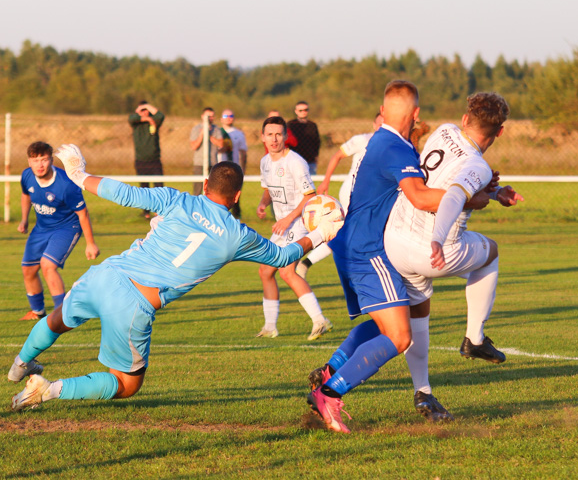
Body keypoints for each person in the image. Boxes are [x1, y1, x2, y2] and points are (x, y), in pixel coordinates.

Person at [8, 149, 342, 412]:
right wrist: (319, 233)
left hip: (107, 274)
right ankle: (48, 389)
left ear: (206, 185)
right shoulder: (238, 236)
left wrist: (80, 175)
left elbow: (125, 194)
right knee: (127, 384)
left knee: (57, 319)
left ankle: (19, 365)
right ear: (237, 197)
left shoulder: (178, 199)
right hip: (134, 303)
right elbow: (284, 258)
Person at [305, 80, 447, 433]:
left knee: (394, 322)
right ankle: (330, 392)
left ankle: (332, 369)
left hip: (353, 244)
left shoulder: (383, 141)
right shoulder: (394, 148)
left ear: (383, 112)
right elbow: (421, 197)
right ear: (415, 115)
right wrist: (469, 195)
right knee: (400, 337)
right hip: (368, 251)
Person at [384, 92, 523, 422]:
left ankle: (423, 392)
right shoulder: (478, 164)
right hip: (432, 247)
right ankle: (474, 338)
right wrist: (437, 238)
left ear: (464, 119)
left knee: (419, 311)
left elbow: (447, 176)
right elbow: (453, 197)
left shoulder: (444, 130)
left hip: (396, 239)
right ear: (500, 132)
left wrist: (491, 192)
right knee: (491, 253)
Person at [257, 116, 332, 341]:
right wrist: (263, 203)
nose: (274, 139)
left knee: (287, 272)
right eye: (269, 134)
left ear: (286, 136)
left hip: (298, 223)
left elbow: (310, 196)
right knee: (265, 271)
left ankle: (320, 320)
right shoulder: (265, 162)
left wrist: (288, 219)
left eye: (279, 134)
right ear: (263, 137)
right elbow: (268, 189)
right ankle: (270, 327)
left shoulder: (296, 162)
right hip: (282, 226)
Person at [17, 142, 100, 321]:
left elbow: (83, 213)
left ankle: (62, 314)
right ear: (29, 161)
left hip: (67, 227)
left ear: (52, 160)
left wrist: (90, 243)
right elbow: (26, 195)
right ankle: (38, 311)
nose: (40, 165)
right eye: (35, 160)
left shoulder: (66, 184)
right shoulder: (26, 176)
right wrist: (24, 219)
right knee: (28, 270)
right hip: (41, 228)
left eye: (44, 159)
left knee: (48, 266)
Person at [296, 113, 384, 279]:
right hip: (353, 192)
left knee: (344, 233)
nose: (382, 127)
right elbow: (337, 155)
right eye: (380, 124)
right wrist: (326, 181)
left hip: (370, 197)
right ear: (374, 125)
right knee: (349, 233)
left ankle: (306, 263)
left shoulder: (389, 145)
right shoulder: (362, 140)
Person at [128, 101, 165, 219]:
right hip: (141, 161)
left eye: (146, 110)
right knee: (144, 188)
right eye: (142, 110)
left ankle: (159, 210)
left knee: (158, 186)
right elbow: (131, 118)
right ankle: (146, 212)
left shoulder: (155, 122)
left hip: (154, 160)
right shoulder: (136, 124)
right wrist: (145, 117)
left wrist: (148, 108)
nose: (145, 112)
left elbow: (160, 115)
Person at [220, 109, 248, 218]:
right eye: (226, 115)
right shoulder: (218, 132)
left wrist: (243, 168)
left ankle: (236, 217)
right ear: (221, 118)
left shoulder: (239, 133)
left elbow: (243, 152)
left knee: (234, 193)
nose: (228, 117)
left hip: (234, 166)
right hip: (220, 165)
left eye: (231, 115)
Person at [189, 107, 224, 196]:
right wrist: (202, 134)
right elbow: (194, 146)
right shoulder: (196, 129)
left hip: (213, 163)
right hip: (199, 163)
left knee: (213, 190)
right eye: (208, 116)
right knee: (197, 189)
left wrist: (209, 134)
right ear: (202, 116)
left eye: (212, 116)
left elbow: (220, 144)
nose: (210, 118)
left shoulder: (216, 129)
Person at [287, 101, 321, 174]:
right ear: (296, 111)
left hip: (310, 159)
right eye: (300, 110)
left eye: (306, 110)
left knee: (310, 181)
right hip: (294, 158)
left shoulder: (312, 125)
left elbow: (317, 142)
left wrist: (316, 155)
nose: (303, 112)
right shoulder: (291, 125)